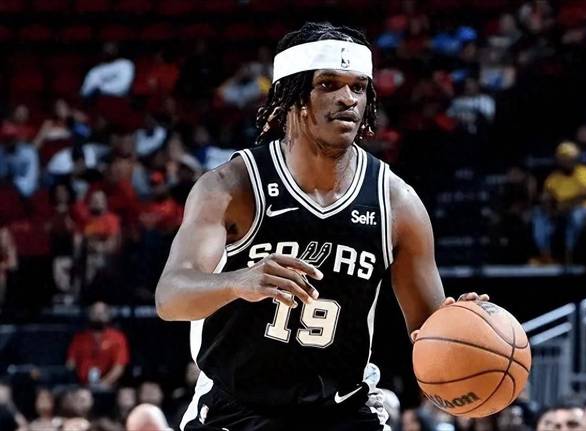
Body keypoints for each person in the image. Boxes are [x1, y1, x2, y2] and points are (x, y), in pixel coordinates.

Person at [156, 22, 487, 431]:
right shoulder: (232, 186)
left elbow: (428, 333)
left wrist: (463, 328)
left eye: (358, 87)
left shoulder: (397, 203)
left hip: (343, 411)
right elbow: (170, 297)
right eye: (328, 84)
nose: (348, 99)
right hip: (236, 408)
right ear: (291, 96)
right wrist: (237, 282)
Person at [532, 141, 586, 264]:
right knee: (539, 214)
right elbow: (547, 198)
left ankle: (570, 255)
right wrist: (550, 208)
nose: (567, 161)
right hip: (560, 210)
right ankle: (546, 254)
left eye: (570, 157)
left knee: (576, 215)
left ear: (576, 158)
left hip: (585, 209)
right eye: (563, 158)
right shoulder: (553, 178)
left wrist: (566, 205)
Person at [66, 301, 130, 387]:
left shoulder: (118, 337)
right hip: (82, 385)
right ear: (89, 315)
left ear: (108, 315)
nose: (98, 316)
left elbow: (119, 366)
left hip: (110, 386)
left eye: (101, 313)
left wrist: (103, 384)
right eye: (94, 312)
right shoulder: (79, 338)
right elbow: (70, 363)